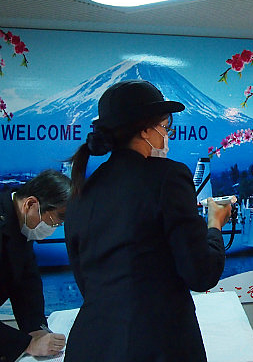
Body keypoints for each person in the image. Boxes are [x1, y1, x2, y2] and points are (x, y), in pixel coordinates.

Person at [64, 80, 231, 362]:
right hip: (155, 345)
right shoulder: (168, 177)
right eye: (165, 127)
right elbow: (201, 273)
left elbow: (85, 279)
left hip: (91, 344)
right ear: (145, 129)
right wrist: (214, 226)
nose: (167, 135)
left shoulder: (83, 190)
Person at [0, 169, 70, 362]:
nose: (53, 229)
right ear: (31, 204)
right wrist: (26, 344)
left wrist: (36, 329)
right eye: (54, 222)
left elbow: (27, 285)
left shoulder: (21, 225)